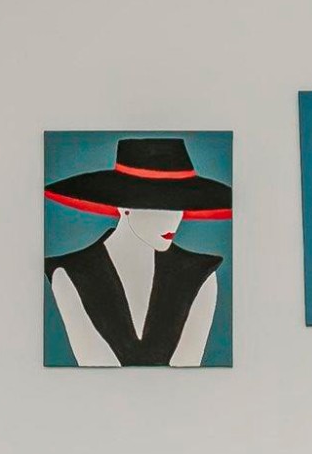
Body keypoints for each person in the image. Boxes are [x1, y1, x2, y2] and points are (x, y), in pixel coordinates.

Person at [44, 137, 229, 366]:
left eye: (179, 206)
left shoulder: (201, 277)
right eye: (159, 207)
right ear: (124, 207)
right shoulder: (69, 274)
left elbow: (186, 372)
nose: (173, 220)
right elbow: (97, 371)